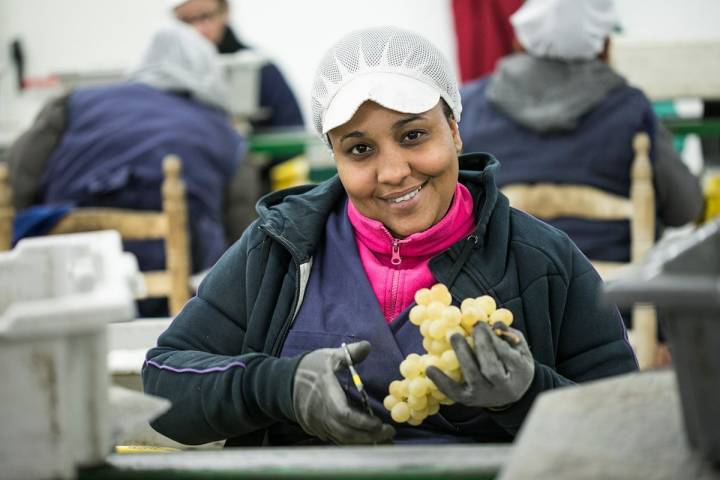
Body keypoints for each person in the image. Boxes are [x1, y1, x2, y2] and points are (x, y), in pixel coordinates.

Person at [142, 26, 637, 446]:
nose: (393, 171)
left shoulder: (541, 262)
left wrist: (528, 396)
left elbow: (626, 428)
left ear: (454, 129)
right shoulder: (281, 249)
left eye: (413, 135)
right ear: (333, 156)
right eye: (359, 149)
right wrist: (276, 386)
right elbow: (163, 388)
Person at [7, 24, 246, 316]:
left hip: (63, 274)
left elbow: (17, 180)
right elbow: (244, 236)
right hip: (172, 292)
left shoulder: (72, 104)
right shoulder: (226, 135)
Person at [459, 0, 704, 264]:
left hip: (505, 296)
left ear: (520, 42)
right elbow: (685, 208)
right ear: (605, 47)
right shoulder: (631, 110)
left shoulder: (470, 107)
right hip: (611, 299)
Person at [167, 0, 303, 131]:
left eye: (205, 16)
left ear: (225, 12)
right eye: (186, 21)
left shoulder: (261, 69)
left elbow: (292, 134)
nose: (198, 29)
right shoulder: (167, 78)